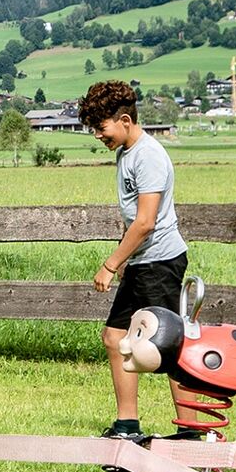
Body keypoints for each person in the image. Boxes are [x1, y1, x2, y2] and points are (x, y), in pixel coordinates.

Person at [77, 78, 189, 442]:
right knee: (115, 337)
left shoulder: (148, 156)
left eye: (102, 127)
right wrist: (127, 258)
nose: (98, 136)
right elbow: (133, 222)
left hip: (161, 263)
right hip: (143, 262)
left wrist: (111, 264)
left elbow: (145, 222)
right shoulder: (127, 152)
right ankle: (127, 425)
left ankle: (191, 430)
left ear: (125, 120)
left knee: (170, 346)